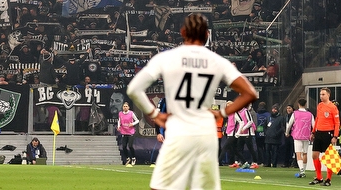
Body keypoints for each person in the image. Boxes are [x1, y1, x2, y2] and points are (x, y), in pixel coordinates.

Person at [126, 13, 258, 190]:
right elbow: (249, 93)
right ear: (207, 35)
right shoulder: (217, 61)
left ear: (182, 32)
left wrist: (154, 114)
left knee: (159, 187)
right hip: (205, 132)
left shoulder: (167, 58)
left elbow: (134, 89)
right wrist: (222, 113)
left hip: (178, 129)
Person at [309, 88, 341, 186]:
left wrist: (335, 136)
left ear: (328, 95)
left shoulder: (333, 107)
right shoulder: (320, 105)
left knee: (329, 157)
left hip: (328, 133)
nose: (321, 96)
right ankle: (319, 177)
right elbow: (317, 118)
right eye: (320, 94)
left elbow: (337, 123)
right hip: (319, 132)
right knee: (314, 155)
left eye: (323, 94)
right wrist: (313, 132)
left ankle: (328, 179)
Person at [287, 98, 314, 178]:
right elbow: (314, 125)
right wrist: (312, 133)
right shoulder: (310, 114)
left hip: (297, 135)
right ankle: (304, 171)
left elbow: (289, 124)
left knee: (298, 153)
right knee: (305, 153)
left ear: (298, 104)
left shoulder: (295, 113)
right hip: (306, 135)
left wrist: (287, 132)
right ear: (305, 104)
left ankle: (302, 171)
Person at [118, 101, 139, 166]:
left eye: (126, 106)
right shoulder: (120, 113)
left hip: (131, 132)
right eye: (124, 106)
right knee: (123, 146)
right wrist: (118, 126)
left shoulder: (131, 113)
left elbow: (137, 120)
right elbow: (119, 120)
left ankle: (133, 158)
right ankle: (127, 158)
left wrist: (132, 124)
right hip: (124, 132)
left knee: (130, 146)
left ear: (128, 107)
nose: (125, 107)